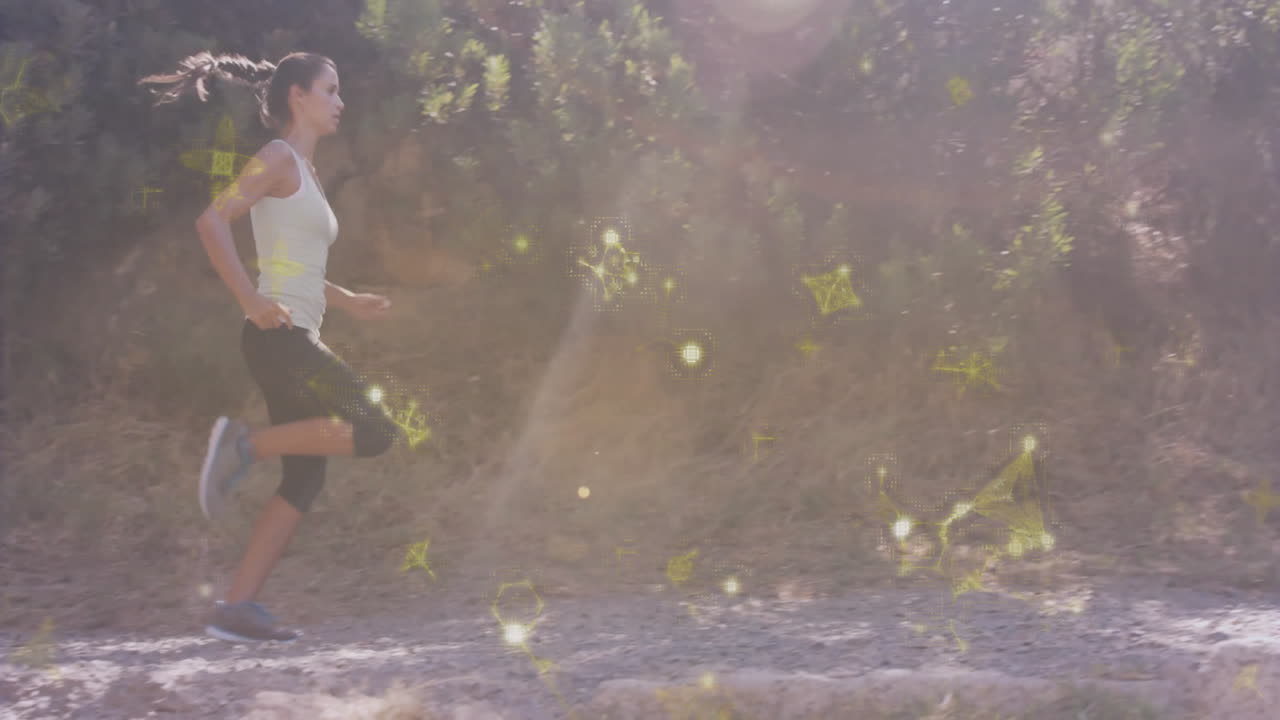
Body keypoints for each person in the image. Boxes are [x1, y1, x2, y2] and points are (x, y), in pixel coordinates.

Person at [139, 52, 400, 642]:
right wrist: (251, 303)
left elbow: (295, 266)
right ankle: (244, 446)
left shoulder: (305, 172)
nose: (340, 102)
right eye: (330, 90)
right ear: (297, 97)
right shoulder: (278, 157)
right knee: (375, 428)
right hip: (275, 336)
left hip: (295, 333)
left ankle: (236, 606)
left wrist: (348, 300)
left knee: (306, 480)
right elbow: (212, 221)